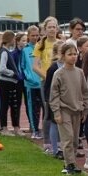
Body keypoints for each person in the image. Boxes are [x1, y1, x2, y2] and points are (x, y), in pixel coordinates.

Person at [49, 42, 88, 175]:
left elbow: (84, 92)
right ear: (63, 56)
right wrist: (56, 112)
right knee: (68, 137)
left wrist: (85, 109)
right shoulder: (58, 74)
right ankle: (70, 164)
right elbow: (54, 94)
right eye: (69, 54)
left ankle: (69, 163)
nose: (73, 57)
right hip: (64, 109)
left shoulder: (79, 72)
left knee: (74, 139)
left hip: (77, 110)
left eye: (75, 54)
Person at [34, 16, 62, 153]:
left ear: (57, 28)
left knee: (60, 110)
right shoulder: (40, 45)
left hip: (61, 81)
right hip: (46, 81)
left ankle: (60, 142)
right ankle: (47, 142)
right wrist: (48, 76)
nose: (52, 29)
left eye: (54, 27)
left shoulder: (61, 43)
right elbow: (35, 66)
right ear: (45, 29)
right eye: (49, 27)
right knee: (48, 111)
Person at [0, 31, 22, 136]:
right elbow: (2, 68)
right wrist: (12, 73)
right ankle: (4, 128)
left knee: (13, 105)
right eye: (13, 38)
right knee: (5, 105)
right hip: (6, 82)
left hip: (9, 82)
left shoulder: (5, 51)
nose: (14, 41)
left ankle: (16, 128)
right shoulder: (4, 52)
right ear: (9, 39)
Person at [43, 40, 66, 158]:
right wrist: (49, 100)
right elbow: (47, 86)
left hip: (66, 100)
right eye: (62, 51)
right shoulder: (53, 67)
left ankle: (65, 148)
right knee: (54, 123)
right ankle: (55, 149)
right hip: (54, 99)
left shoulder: (70, 66)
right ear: (57, 53)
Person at [20, 25, 43, 139]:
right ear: (28, 36)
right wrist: (28, 77)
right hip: (31, 85)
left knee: (46, 108)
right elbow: (22, 67)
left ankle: (45, 130)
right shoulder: (25, 50)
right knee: (33, 108)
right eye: (32, 35)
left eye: (36, 35)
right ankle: (35, 130)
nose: (35, 37)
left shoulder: (42, 48)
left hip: (43, 83)